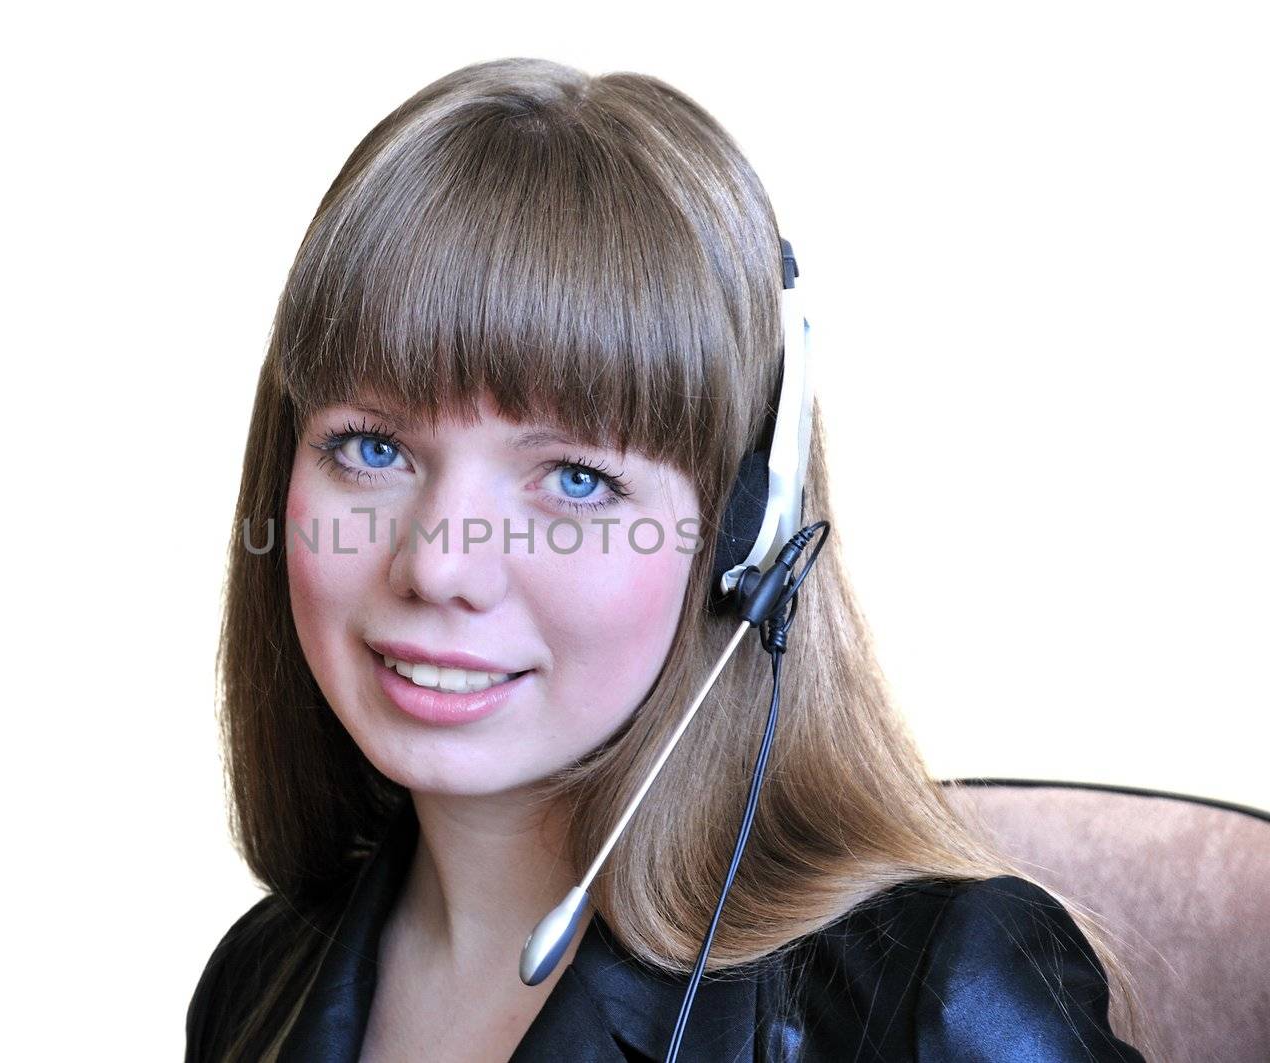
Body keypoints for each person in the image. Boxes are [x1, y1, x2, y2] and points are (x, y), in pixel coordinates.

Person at [185, 57, 1152, 1062]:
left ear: (745, 533)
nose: (439, 565)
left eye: (573, 479)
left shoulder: (929, 1002)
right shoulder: (264, 981)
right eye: (372, 448)